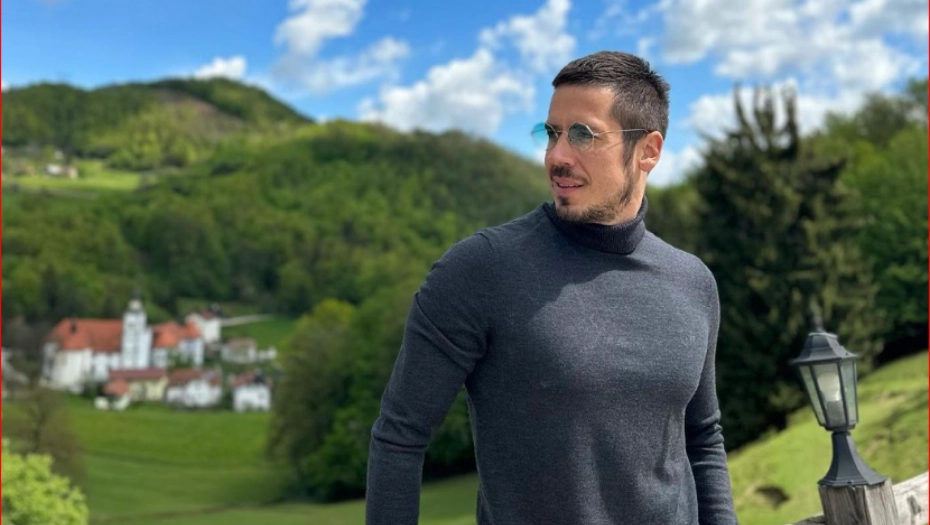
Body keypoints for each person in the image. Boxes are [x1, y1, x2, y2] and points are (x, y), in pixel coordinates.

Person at [366, 50, 737, 525]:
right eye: (552, 133)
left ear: (648, 150)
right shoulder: (481, 269)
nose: (557, 156)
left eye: (583, 135)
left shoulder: (692, 282)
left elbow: (702, 438)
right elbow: (400, 437)